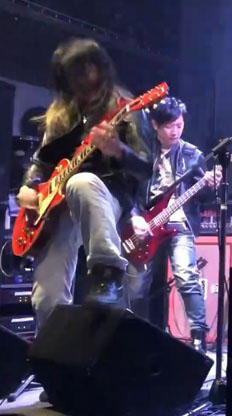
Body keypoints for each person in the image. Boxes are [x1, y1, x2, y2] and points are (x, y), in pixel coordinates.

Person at [15, 38, 153, 328]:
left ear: (100, 68)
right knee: (46, 299)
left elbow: (146, 168)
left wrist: (119, 151)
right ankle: (56, 348)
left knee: (81, 182)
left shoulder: (126, 108)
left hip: (108, 195)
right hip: (59, 206)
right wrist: (29, 186)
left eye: (87, 70)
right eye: (74, 75)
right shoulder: (59, 115)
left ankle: (108, 275)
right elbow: (42, 161)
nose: (83, 81)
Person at [127, 96, 221, 352]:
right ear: (155, 125)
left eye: (179, 125)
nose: (175, 131)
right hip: (145, 226)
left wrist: (211, 185)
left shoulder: (193, 155)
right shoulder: (142, 154)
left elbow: (204, 197)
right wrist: (134, 217)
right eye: (169, 126)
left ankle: (199, 339)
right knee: (136, 286)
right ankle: (136, 339)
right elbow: (129, 192)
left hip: (179, 224)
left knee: (187, 276)